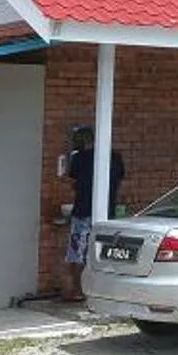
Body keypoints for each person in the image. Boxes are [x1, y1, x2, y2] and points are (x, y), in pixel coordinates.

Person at [56, 124, 123, 301]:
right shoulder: (115, 157)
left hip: (83, 211)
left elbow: (73, 180)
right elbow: (120, 180)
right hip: (106, 213)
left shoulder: (80, 158)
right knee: (105, 253)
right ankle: (105, 291)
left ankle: (77, 291)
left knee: (77, 253)